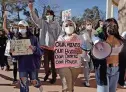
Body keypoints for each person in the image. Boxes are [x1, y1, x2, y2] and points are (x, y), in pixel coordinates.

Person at [28, 2, 61, 84]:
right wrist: (31, 10)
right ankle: (47, 73)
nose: (49, 16)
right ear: (46, 16)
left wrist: (57, 45)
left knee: (54, 65)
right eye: (47, 14)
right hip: (44, 48)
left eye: (50, 14)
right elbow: (35, 19)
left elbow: (60, 34)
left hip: (53, 48)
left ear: (53, 16)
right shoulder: (43, 22)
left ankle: (54, 77)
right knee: (45, 65)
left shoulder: (56, 24)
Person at [92, 18, 125, 92]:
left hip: (116, 70)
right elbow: (94, 54)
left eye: (114, 25)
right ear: (105, 26)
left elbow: (123, 56)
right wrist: (97, 43)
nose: (112, 27)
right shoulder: (100, 40)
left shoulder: (121, 41)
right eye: (109, 25)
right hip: (103, 70)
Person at [57, 19, 83, 92]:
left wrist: (81, 51)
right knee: (67, 86)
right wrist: (70, 40)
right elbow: (58, 50)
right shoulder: (61, 38)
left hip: (76, 65)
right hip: (64, 64)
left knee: (71, 84)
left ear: (74, 27)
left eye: (71, 25)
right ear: (63, 28)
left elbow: (85, 51)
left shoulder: (80, 37)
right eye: (66, 25)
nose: (69, 27)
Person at [3, 14, 18, 84]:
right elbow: (4, 27)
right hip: (13, 52)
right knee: (15, 65)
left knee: (21, 65)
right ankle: (15, 79)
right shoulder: (10, 34)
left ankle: (24, 77)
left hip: (21, 52)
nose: (14, 28)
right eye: (12, 27)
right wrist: (5, 19)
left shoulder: (20, 34)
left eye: (15, 27)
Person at [80, 19, 95, 87]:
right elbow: (80, 43)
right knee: (86, 66)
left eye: (90, 24)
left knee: (92, 67)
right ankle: (87, 81)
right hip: (85, 51)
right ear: (85, 25)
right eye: (87, 24)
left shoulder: (95, 32)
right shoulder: (82, 33)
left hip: (94, 51)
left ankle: (87, 75)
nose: (89, 25)